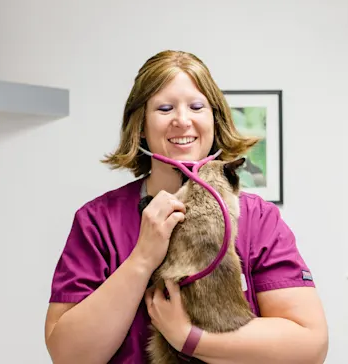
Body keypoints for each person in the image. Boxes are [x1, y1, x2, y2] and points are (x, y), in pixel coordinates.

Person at [44, 50, 329, 364]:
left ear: (214, 119)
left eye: (196, 107)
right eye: (165, 108)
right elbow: (68, 356)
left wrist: (189, 338)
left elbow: (310, 347)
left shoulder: (258, 219)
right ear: (140, 126)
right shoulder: (98, 221)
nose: (183, 120)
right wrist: (142, 259)